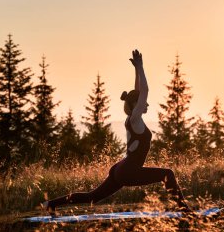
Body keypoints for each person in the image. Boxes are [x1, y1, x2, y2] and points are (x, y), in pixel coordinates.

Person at [42, 50, 190, 215]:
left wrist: (136, 70)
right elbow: (145, 91)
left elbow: (138, 91)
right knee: (168, 173)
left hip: (121, 169)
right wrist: (141, 67)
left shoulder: (131, 119)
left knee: (92, 197)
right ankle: (185, 210)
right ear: (136, 104)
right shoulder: (135, 119)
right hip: (128, 171)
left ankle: (51, 203)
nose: (146, 105)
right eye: (143, 103)